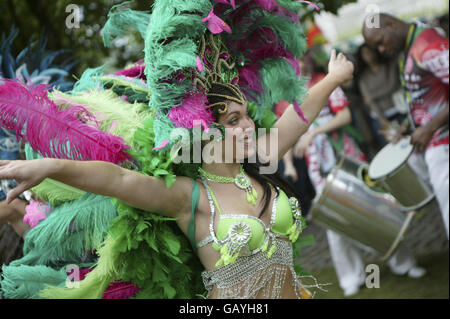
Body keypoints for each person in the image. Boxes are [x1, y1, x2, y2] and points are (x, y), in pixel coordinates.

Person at [0, 1, 356, 299]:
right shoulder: (191, 197)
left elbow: (299, 115)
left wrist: (334, 78)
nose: (248, 126)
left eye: (246, 117)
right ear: (206, 133)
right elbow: (119, 179)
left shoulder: (259, 161)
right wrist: (51, 166)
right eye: (234, 121)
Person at [287, 51, 425, 297]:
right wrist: (288, 162)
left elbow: (345, 115)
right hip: (319, 168)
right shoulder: (288, 94)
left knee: (376, 207)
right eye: (295, 59)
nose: (301, 62)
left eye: (304, 56)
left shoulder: (326, 80)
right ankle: (351, 277)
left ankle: (404, 263)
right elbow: (284, 133)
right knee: (335, 223)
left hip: (345, 156)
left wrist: (315, 133)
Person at [363, 13, 449, 239]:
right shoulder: (408, 50)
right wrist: (406, 125)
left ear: (391, 24)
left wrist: (429, 128)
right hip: (433, 141)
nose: (381, 50)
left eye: (380, 42)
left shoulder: (427, 44)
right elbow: (424, 98)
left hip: (444, 140)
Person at [355, 43, 408, 146]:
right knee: (392, 146)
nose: (369, 55)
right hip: (380, 117)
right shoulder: (363, 78)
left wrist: (372, 96)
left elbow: (392, 86)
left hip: (399, 110)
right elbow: (371, 103)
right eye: (365, 53)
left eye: (370, 51)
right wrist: (382, 119)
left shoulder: (389, 66)